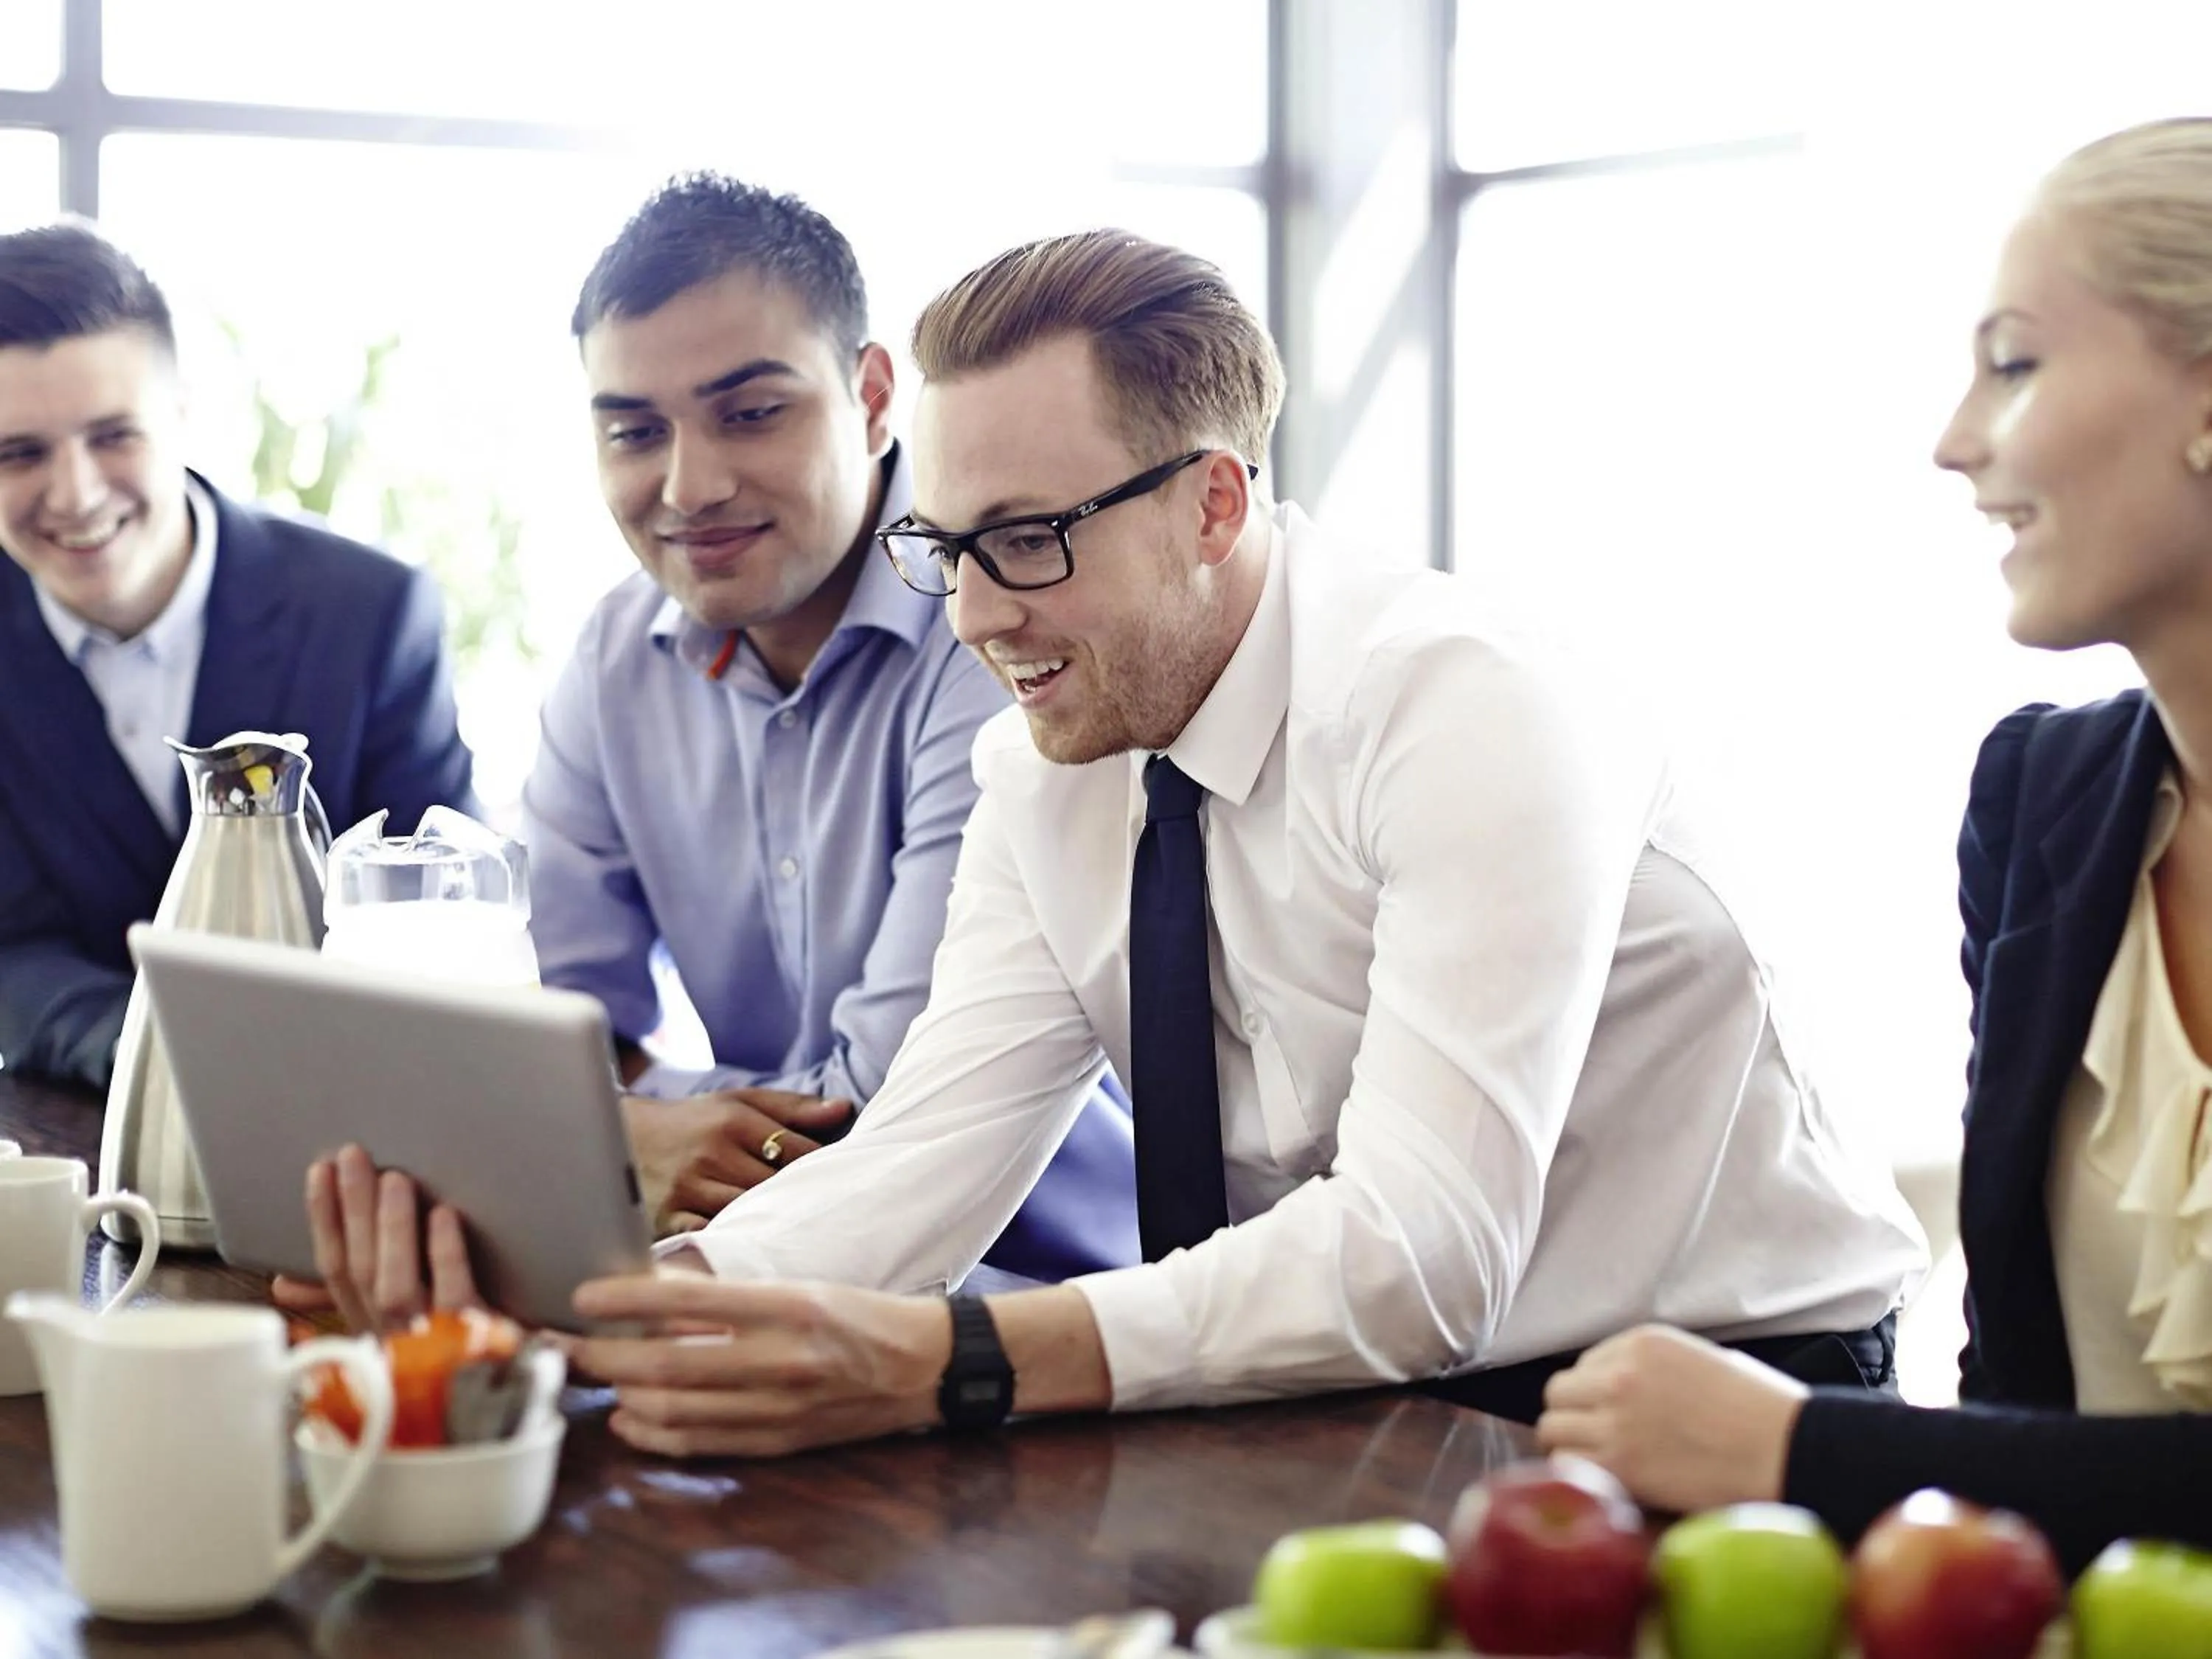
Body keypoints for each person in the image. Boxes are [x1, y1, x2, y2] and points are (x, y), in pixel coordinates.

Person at [312, 228, 1924, 1457]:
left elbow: (1423, 1255)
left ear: (1214, 506)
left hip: (1716, 1401)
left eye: (1028, 543)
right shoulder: (1052, 766)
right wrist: (598, 1323)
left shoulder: (1468, 711)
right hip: (1357, 1388)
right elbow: (918, 1167)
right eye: (946, 547)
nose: (976, 617)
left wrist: (963, 1361)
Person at [1536, 117, 2212, 1573]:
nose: (1954, 440)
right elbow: (2020, 1389)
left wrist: (1802, 1449)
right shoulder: (2047, 798)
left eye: (2016, 363)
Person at [518, 175, 1136, 1274]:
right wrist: (619, 1133)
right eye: (633, 431)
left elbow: (880, 1113)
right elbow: (549, 1047)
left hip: (1048, 1300)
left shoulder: (1002, 626)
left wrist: (628, 1132)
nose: (690, 485)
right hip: (743, 1275)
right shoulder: (613, 664)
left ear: (872, 395)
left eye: (751, 414)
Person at [0, 221, 476, 1093]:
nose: (75, 493)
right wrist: (166, 1051)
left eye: (114, 436)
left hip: (359, 1097)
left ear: (181, 415)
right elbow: (10, 951)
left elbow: (443, 907)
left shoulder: (369, 613)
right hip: (89, 1108)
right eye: (19, 453)